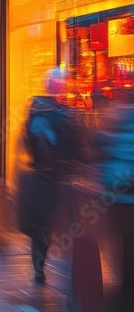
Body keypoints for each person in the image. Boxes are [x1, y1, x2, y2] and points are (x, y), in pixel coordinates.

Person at [18, 68, 83, 285]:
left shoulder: (33, 115)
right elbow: (76, 147)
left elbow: (27, 145)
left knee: (40, 228)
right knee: (66, 225)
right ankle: (68, 273)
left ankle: (39, 270)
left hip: (41, 176)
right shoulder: (65, 115)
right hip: (60, 177)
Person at [95, 88, 134, 308]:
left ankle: (124, 289)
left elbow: (101, 152)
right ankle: (127, 290)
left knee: (122, 246)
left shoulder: (115, 120)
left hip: (117, 198)